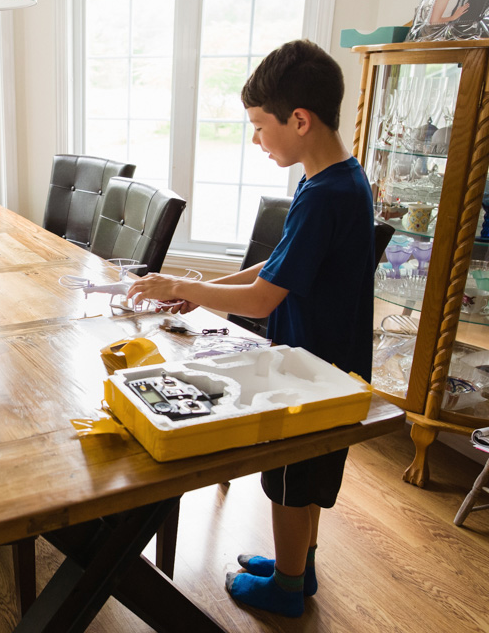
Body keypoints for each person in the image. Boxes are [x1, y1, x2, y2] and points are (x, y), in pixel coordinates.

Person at [128, 39, 374, 618]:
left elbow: (263, 301)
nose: (257, 140)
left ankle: (288, 588)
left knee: (290, 479)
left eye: (260, 127)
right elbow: (278, 265)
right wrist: (199, 287)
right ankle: (300, 566)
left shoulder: (323, 196)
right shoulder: (336, 179)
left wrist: (182, 288)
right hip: (324, 361)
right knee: (306, 475)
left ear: (299, 119)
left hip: (311, 372)